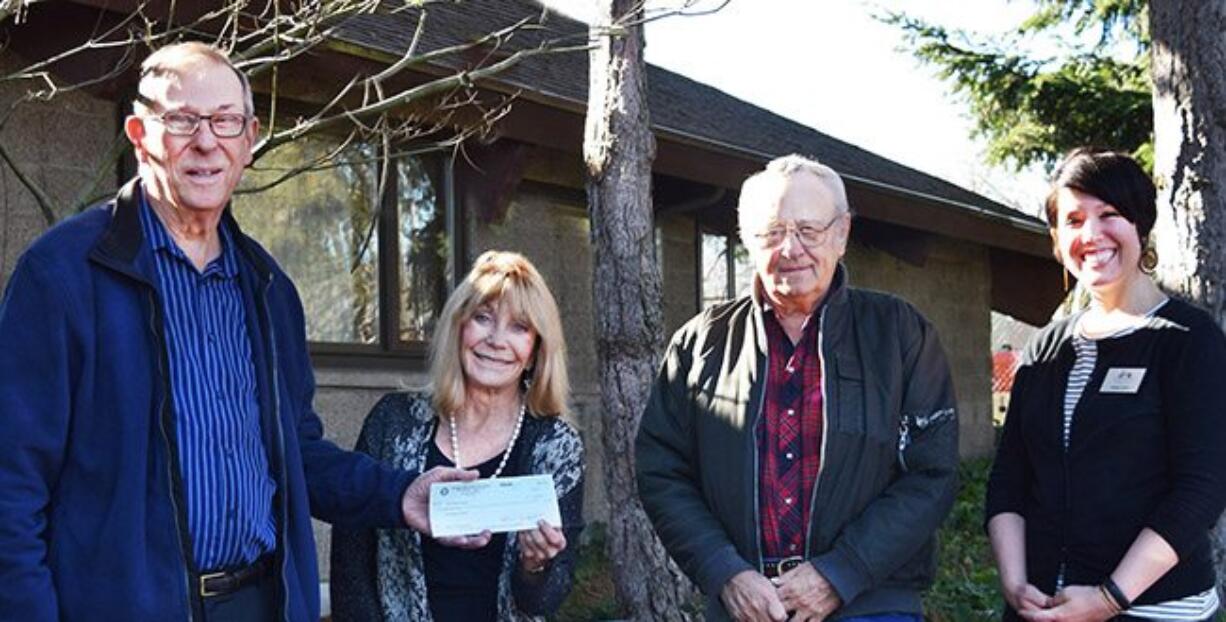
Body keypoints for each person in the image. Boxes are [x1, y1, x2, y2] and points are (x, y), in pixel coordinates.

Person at [0, 42, 470, 621]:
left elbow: (298, 453)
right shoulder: (64, 275)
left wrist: (400, 494)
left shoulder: (268, 288)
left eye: (224, 121)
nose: (205, 141)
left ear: (248, 139)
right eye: (180, 120)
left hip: (259, 602)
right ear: (140, 133)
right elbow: (12, 486)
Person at [636, 154, 959, 622]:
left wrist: (841, 573)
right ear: (748, 239)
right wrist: (725, 572)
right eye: (771, 232)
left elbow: (932, 474)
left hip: (870, 603)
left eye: (809, 230)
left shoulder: (900, 334)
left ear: (842, 234)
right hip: (744, 606)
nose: (791, 249)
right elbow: (661, 469)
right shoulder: (700, 343)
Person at [985, 149, 1226, 621]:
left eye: (1108, 214)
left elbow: (1203, 489)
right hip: (1042, 607)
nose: (1091, 234)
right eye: (1073, 220)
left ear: (1140, 225)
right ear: (1057, 240)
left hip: (1155, 609)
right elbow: (1009, 479)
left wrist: (1109, 598)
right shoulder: (1045, 348)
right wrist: (1016, 583)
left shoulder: (1189, 342)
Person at [330, 250, 585, 621]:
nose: (497, 339)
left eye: (519, 327)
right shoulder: (393, 421)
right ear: (459, 328)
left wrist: (534, 566)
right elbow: (351, 564)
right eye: (483, 318)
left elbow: (544, 601)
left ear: (534, 352)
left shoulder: (556, 446)